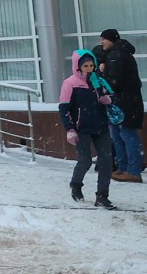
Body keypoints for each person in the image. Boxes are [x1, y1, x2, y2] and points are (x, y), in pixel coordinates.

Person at [59, 49, 117, 209]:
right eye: (85, 65)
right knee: (85, 160)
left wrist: (108, 99)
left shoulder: (99, 81)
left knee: (106, 161)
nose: (89, 68)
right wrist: (69, 129)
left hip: (101, 126)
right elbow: (64, 108)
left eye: (92, 65)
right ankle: (76, 184)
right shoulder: (70, 83)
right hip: (81, 127)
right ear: (78, 66)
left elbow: (113, 95)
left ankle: (102, 196)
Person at [93, 28, 143, 183]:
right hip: (123, 102)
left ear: (112, 40)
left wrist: (102, 72)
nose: (102, 43)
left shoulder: (117, 56)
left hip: (124, 103)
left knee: (126, 135)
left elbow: (114, 82)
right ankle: (124, 168)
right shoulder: (116, 55)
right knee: (119, 135)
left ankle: (132, 171)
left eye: (104, 39)